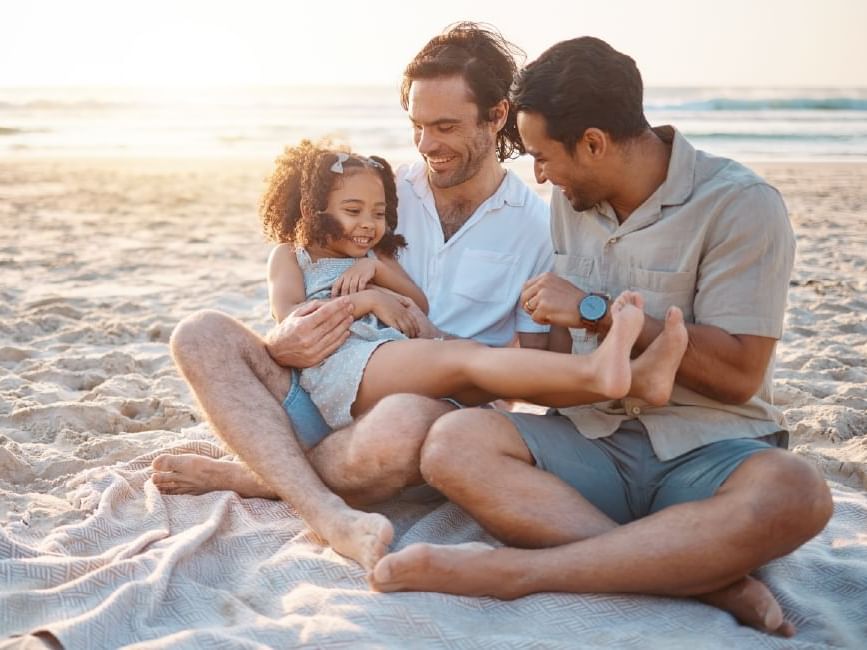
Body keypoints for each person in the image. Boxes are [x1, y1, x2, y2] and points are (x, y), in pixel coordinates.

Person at [369, 36, 833, 638]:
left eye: (544, 156)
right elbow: (567, 371)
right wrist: (502, 364)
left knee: (801, 493)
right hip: (593, 442)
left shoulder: (741, 205)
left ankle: (519, 573)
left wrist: (596, 312)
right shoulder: (572, 200)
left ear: (593, 142)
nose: (537, 174)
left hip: (709, 452)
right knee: (453, 443)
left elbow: (742, 372)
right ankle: (698, 574)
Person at [151, 23, 554, 571]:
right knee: (198, 333)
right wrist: (285, 336)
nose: (427, 144)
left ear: (497, 116)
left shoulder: (537, 227)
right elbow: (302, 270)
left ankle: (263, 476)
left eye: (445, 126)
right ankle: (320, 504)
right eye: (416, 126)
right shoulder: (378, 194)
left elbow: (528, 369)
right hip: (317, 380)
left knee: (407, 422)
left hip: (421, 415)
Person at [256, 140, 687, 430]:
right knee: (466, 357)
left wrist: (376, 277)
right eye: (352, 210)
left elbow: (416, 303)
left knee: (487, 375)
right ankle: (598, 373)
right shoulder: (291, 256)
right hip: (342, 367)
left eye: (379, 213)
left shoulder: (375, 257)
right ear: (311, 209)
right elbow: (291, 321)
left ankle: (635, 380)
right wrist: (366, 302)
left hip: (389, 356)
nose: (368, 224)